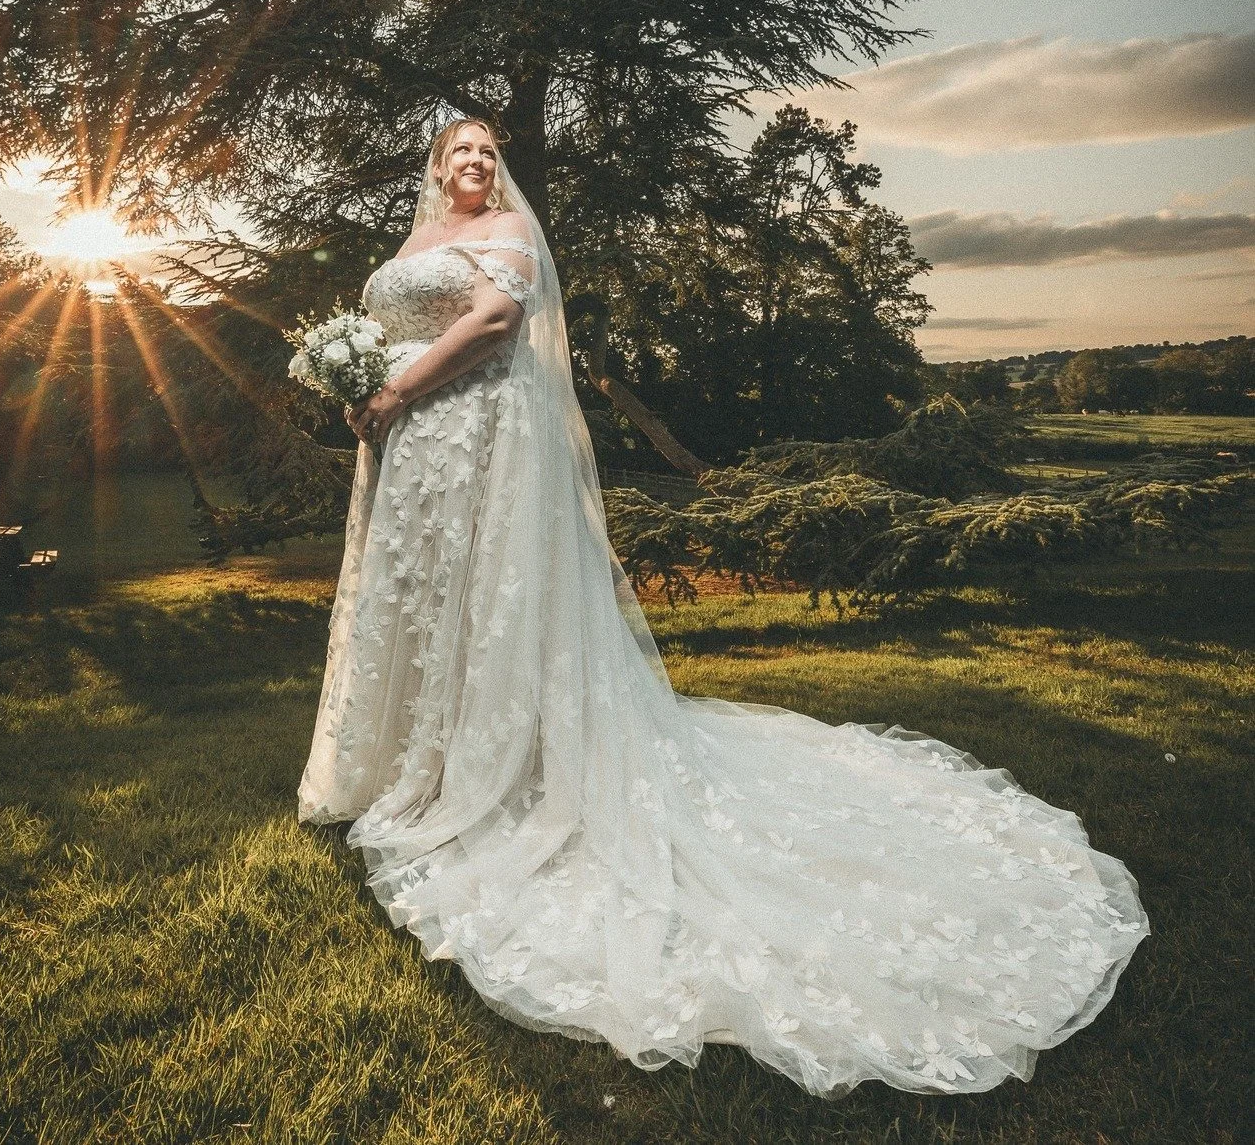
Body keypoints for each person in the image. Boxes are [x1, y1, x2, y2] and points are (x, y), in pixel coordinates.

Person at [299, 118, 1147, 1095]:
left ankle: (505, 766)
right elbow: (384, 337)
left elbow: (494, 324)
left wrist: (396, 388)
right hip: (413, 460)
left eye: (492, 152)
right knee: (423, 607)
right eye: (463, 152)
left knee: (487, 612)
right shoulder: (412, 246)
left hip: (477, 444)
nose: (479, 163)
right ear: (435, 167)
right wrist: (357, 389)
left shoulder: (512, 237)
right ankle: (424, 759)